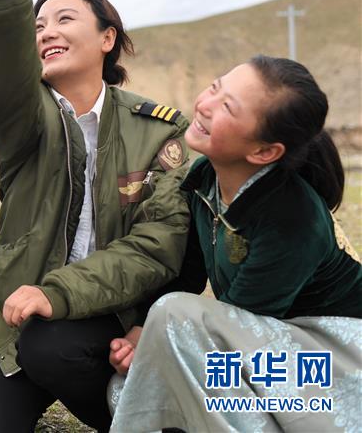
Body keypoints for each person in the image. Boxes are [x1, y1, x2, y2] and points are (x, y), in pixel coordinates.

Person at [0, 0, 194, 433]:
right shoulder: (24, 122)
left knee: (54, 347)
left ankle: (136, 413)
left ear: (107, 38)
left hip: (118, 317)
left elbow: (160, 245)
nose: (47, 32)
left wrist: (69, 298)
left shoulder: (159, 130)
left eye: (64, 19)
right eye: (37, 26)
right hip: (26, 317)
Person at [108, 56, 362, 432]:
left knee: (173, 318)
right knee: (127, 386)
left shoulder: (292, 219)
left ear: (264, 152)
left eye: (227, 107)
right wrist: (144, 329)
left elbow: (239, 324)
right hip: (265, 342)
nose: (205, 105)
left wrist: (161, 334)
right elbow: (189, 274)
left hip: (331, 357)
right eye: (215, 87)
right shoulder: (204, 178)